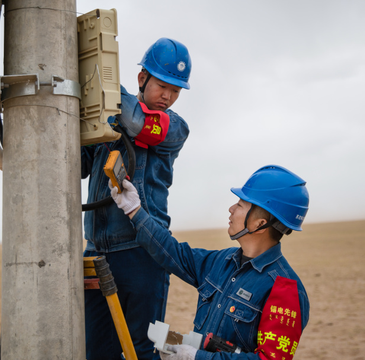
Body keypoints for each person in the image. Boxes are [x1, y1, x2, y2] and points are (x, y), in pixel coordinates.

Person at [110, 165, 311, 360]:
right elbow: (173, 252)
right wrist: (134, 210)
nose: (231, 209)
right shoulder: (220, 262)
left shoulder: (285, 289)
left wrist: (197, 357)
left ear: (261, 223)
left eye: (241, 204)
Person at [81, 38, 192, 360]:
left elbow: (135, 121)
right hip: (97, 251)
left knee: (143, 350)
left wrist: (96, 77)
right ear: (142, 78)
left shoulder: (175, 129)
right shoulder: (105, 120)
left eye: (176, 90)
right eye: (162, 86)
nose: (168, 96)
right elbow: (80, 165)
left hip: (142, 251)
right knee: (97, 351)